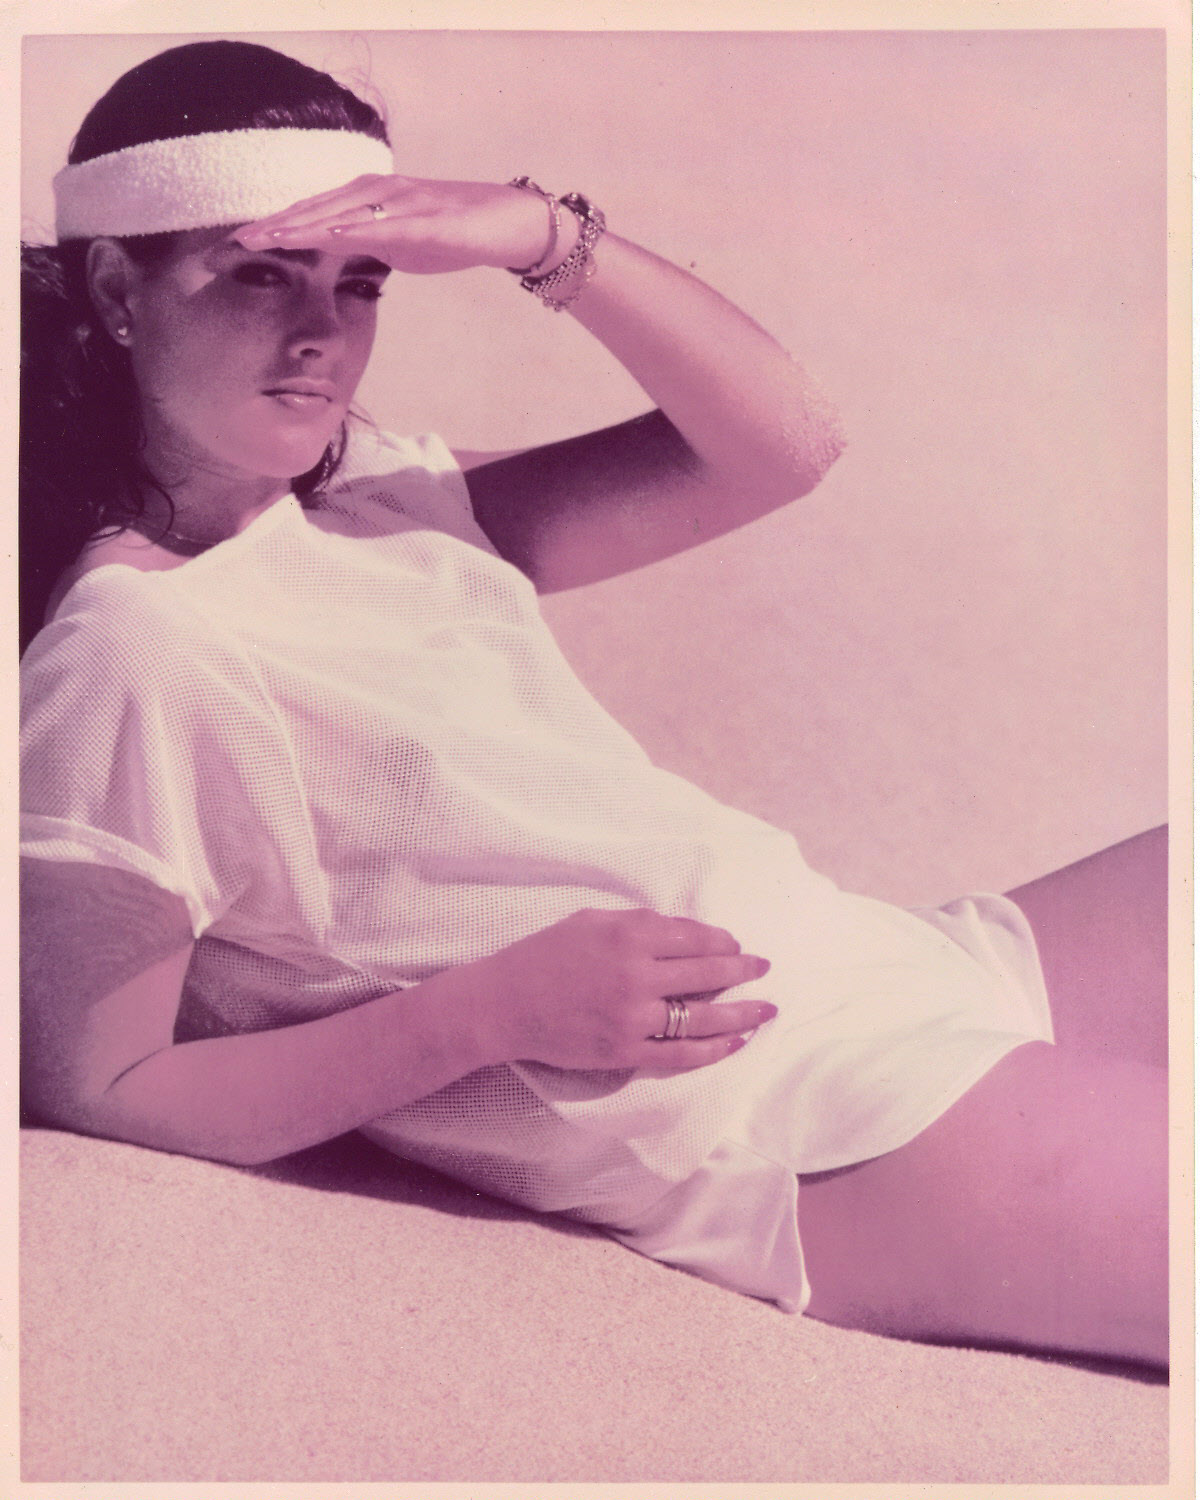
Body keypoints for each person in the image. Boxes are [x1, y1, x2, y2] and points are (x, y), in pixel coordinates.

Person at [20, 39, 1168, 1370]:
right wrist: (486, 1016)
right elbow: (104, 1082)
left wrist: (545, 237)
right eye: (262, 274)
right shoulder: (134, 647)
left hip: (892, 958)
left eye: (360, 281)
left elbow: (786, 444)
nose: (322, 332)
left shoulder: (385, 496)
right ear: (119, 289)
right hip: (798, 1124)